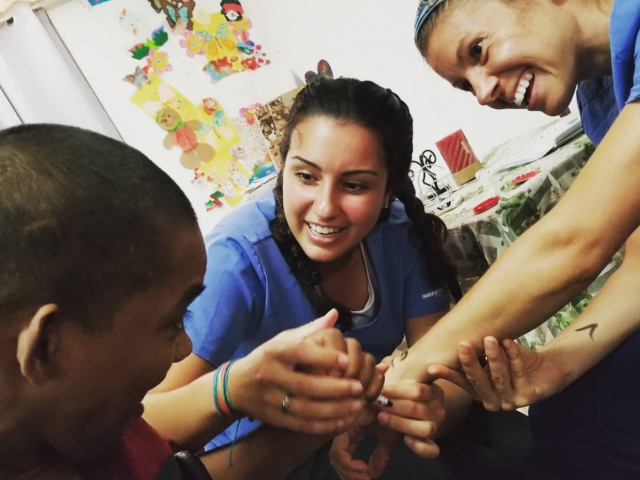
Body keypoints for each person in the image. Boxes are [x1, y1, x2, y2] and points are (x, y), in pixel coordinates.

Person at [154, 76, 533, 480]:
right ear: (282, 169)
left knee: (521, 443)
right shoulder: (237, 260)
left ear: (389, 192)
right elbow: (146, 425)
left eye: (354, 185)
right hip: (265, 452)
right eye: (306, 176)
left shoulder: (399, 234)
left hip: (366, 414)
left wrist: (430, 410)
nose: (325, 207)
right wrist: (231, 388)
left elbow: (442, 366)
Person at [0, 123, 388, 480]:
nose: (185, 346)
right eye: (172, 321)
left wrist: (314, 407)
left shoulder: (92, 442)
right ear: (47, 348)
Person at [374, 0, 640, 478]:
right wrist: (558, 363)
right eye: (464, 85)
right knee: (563, 415)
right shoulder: (602, 99)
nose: (481, 93)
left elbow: (575, 242)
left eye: (478, 50)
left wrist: (414, 365)